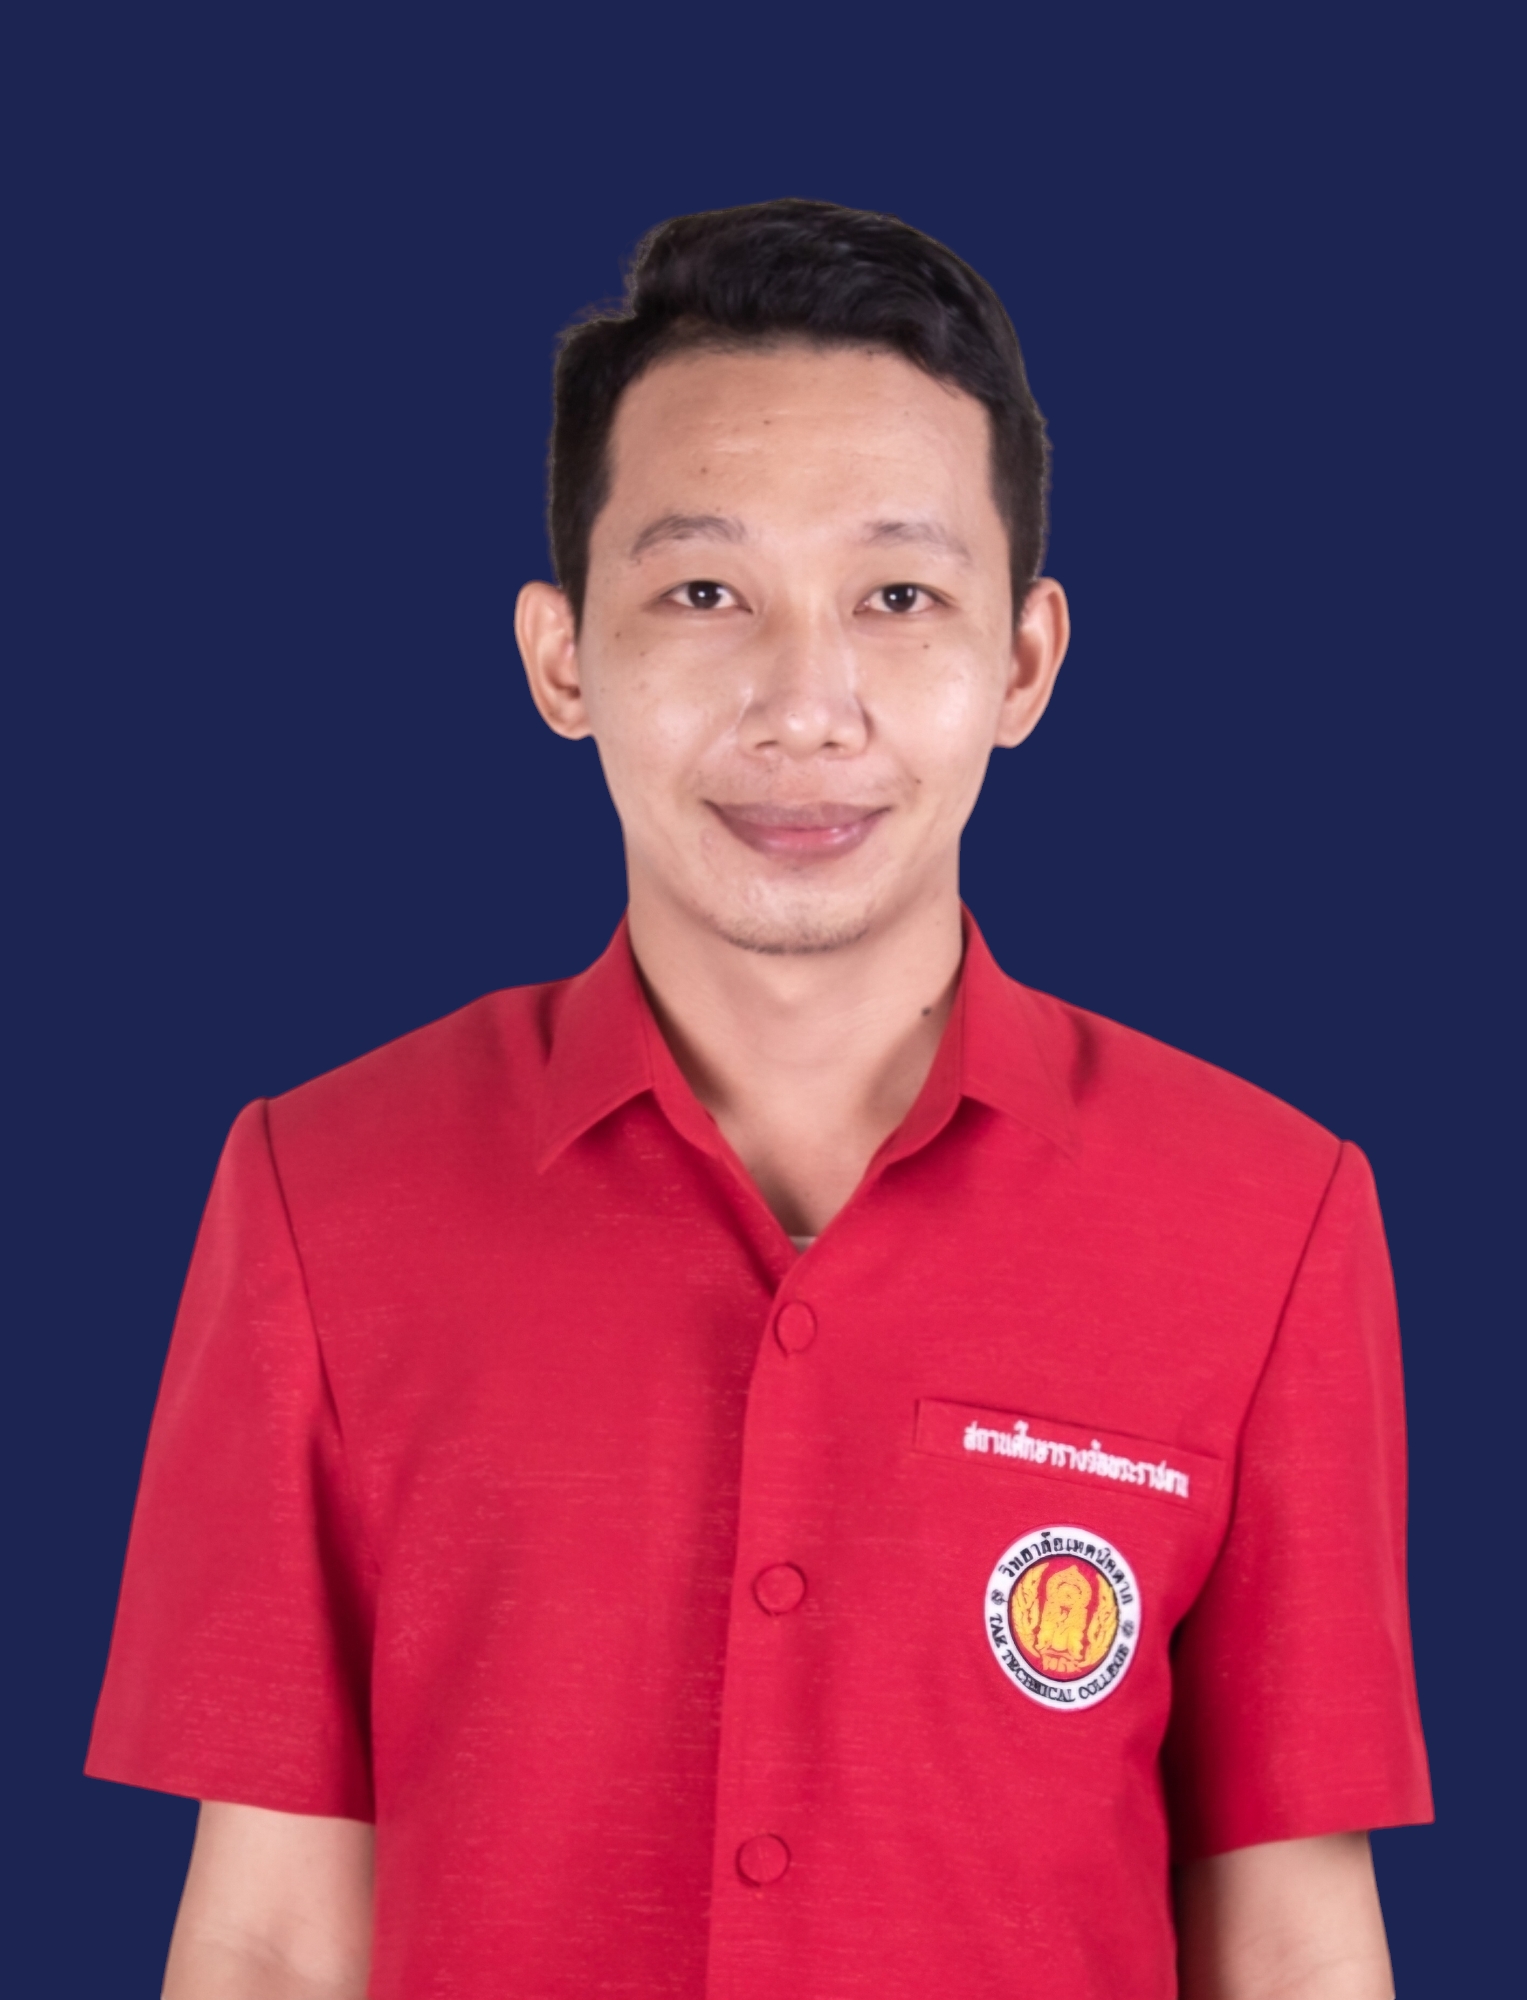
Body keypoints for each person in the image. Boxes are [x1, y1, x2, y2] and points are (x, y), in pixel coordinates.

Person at [87, 198, 1431, 1999]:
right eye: (705, 592)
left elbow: (1293, 1940)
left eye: (899, 597)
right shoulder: (320, 1190)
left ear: (1025, 662)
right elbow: (265, 1939)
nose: (807, 707)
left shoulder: (1269, 1218)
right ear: (564, 657)